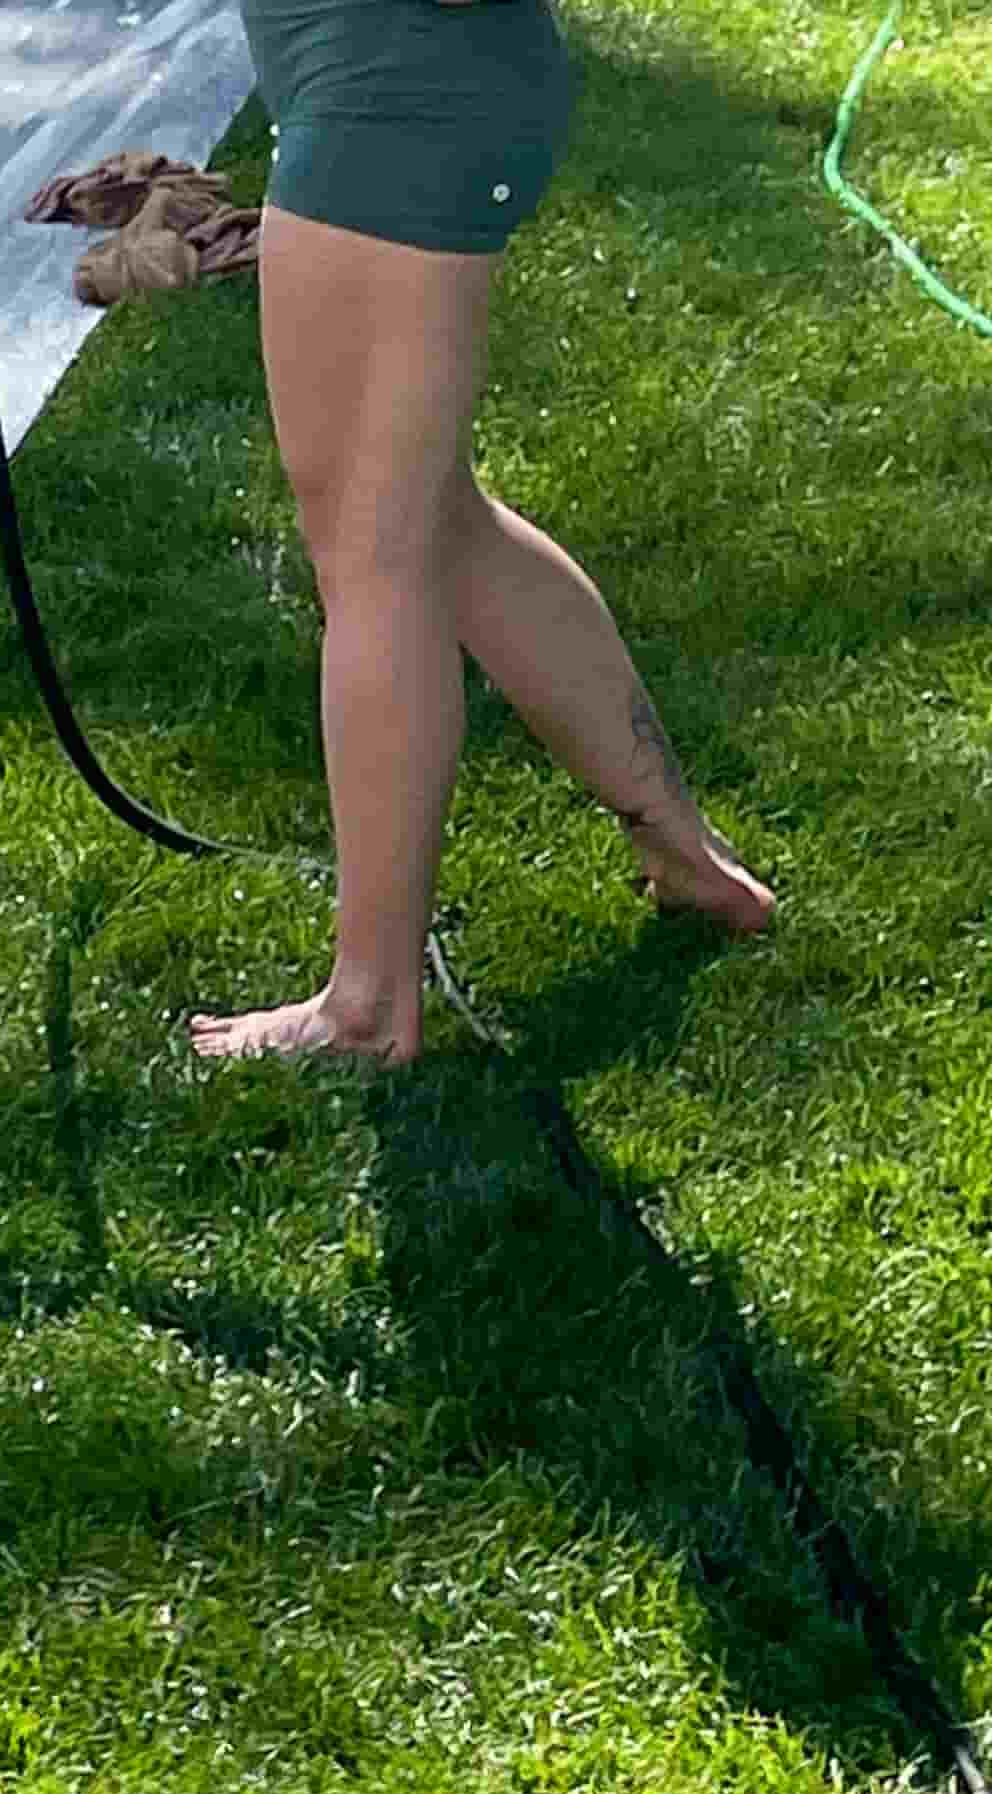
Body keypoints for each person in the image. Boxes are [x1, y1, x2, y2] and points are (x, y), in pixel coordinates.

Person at [186, 0, 774, 1067]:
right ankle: (685, 854)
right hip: (387, 94)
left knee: (374, 559)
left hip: (395, 107)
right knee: (434, 523)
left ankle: (364, 1007)